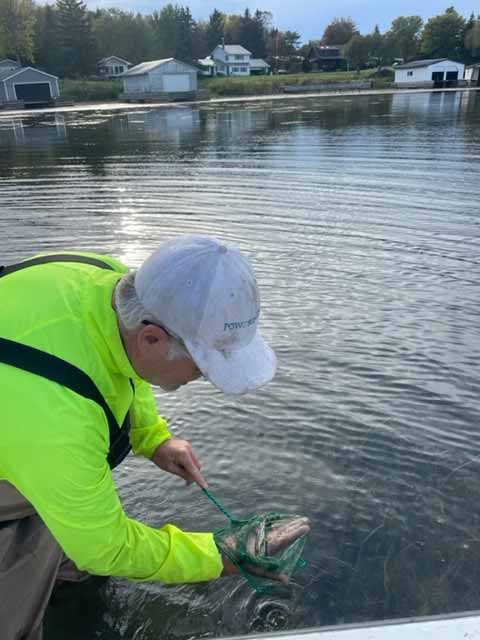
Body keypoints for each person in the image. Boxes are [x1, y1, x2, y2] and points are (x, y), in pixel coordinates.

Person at [0, 235, 307, 640]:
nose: (201, 380)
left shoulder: (108, 282)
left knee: (73, 524)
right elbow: (108, 547)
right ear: (152, 339)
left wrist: (154, 439)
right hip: (26, 439)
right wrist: (222, 554)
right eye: (201, 369)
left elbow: (121, 362)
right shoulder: (58, 422)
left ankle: (61, 568)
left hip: (28, 433)